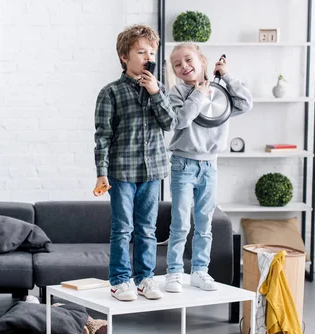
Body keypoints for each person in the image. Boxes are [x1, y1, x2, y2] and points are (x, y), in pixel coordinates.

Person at [93, 24, 176, 301]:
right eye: (140, 52)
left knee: (147, 229)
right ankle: (119, 281)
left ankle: (145, 278)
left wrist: (155, 92)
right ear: (124, 57)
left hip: (153, 172)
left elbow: (169, 123)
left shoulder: (159, 88)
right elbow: (103, 136)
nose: (147, 57)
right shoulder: (111, 92)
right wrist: (101, 173)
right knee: (123, 228)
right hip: (121, 172)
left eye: (151, 52)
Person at [166, 43, 252, 292]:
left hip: (210, 165)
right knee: (180, 221)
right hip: (183, 163)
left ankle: (200, 271)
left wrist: (226, 76)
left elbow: (245, 103)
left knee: (205, 221)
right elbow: (181, 120)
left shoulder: (220, 92)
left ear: (202, 60)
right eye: (177, 64)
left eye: (189, 60)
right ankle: (174, 272)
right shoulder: (177, 93)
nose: (184, 67)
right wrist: (199, 95)